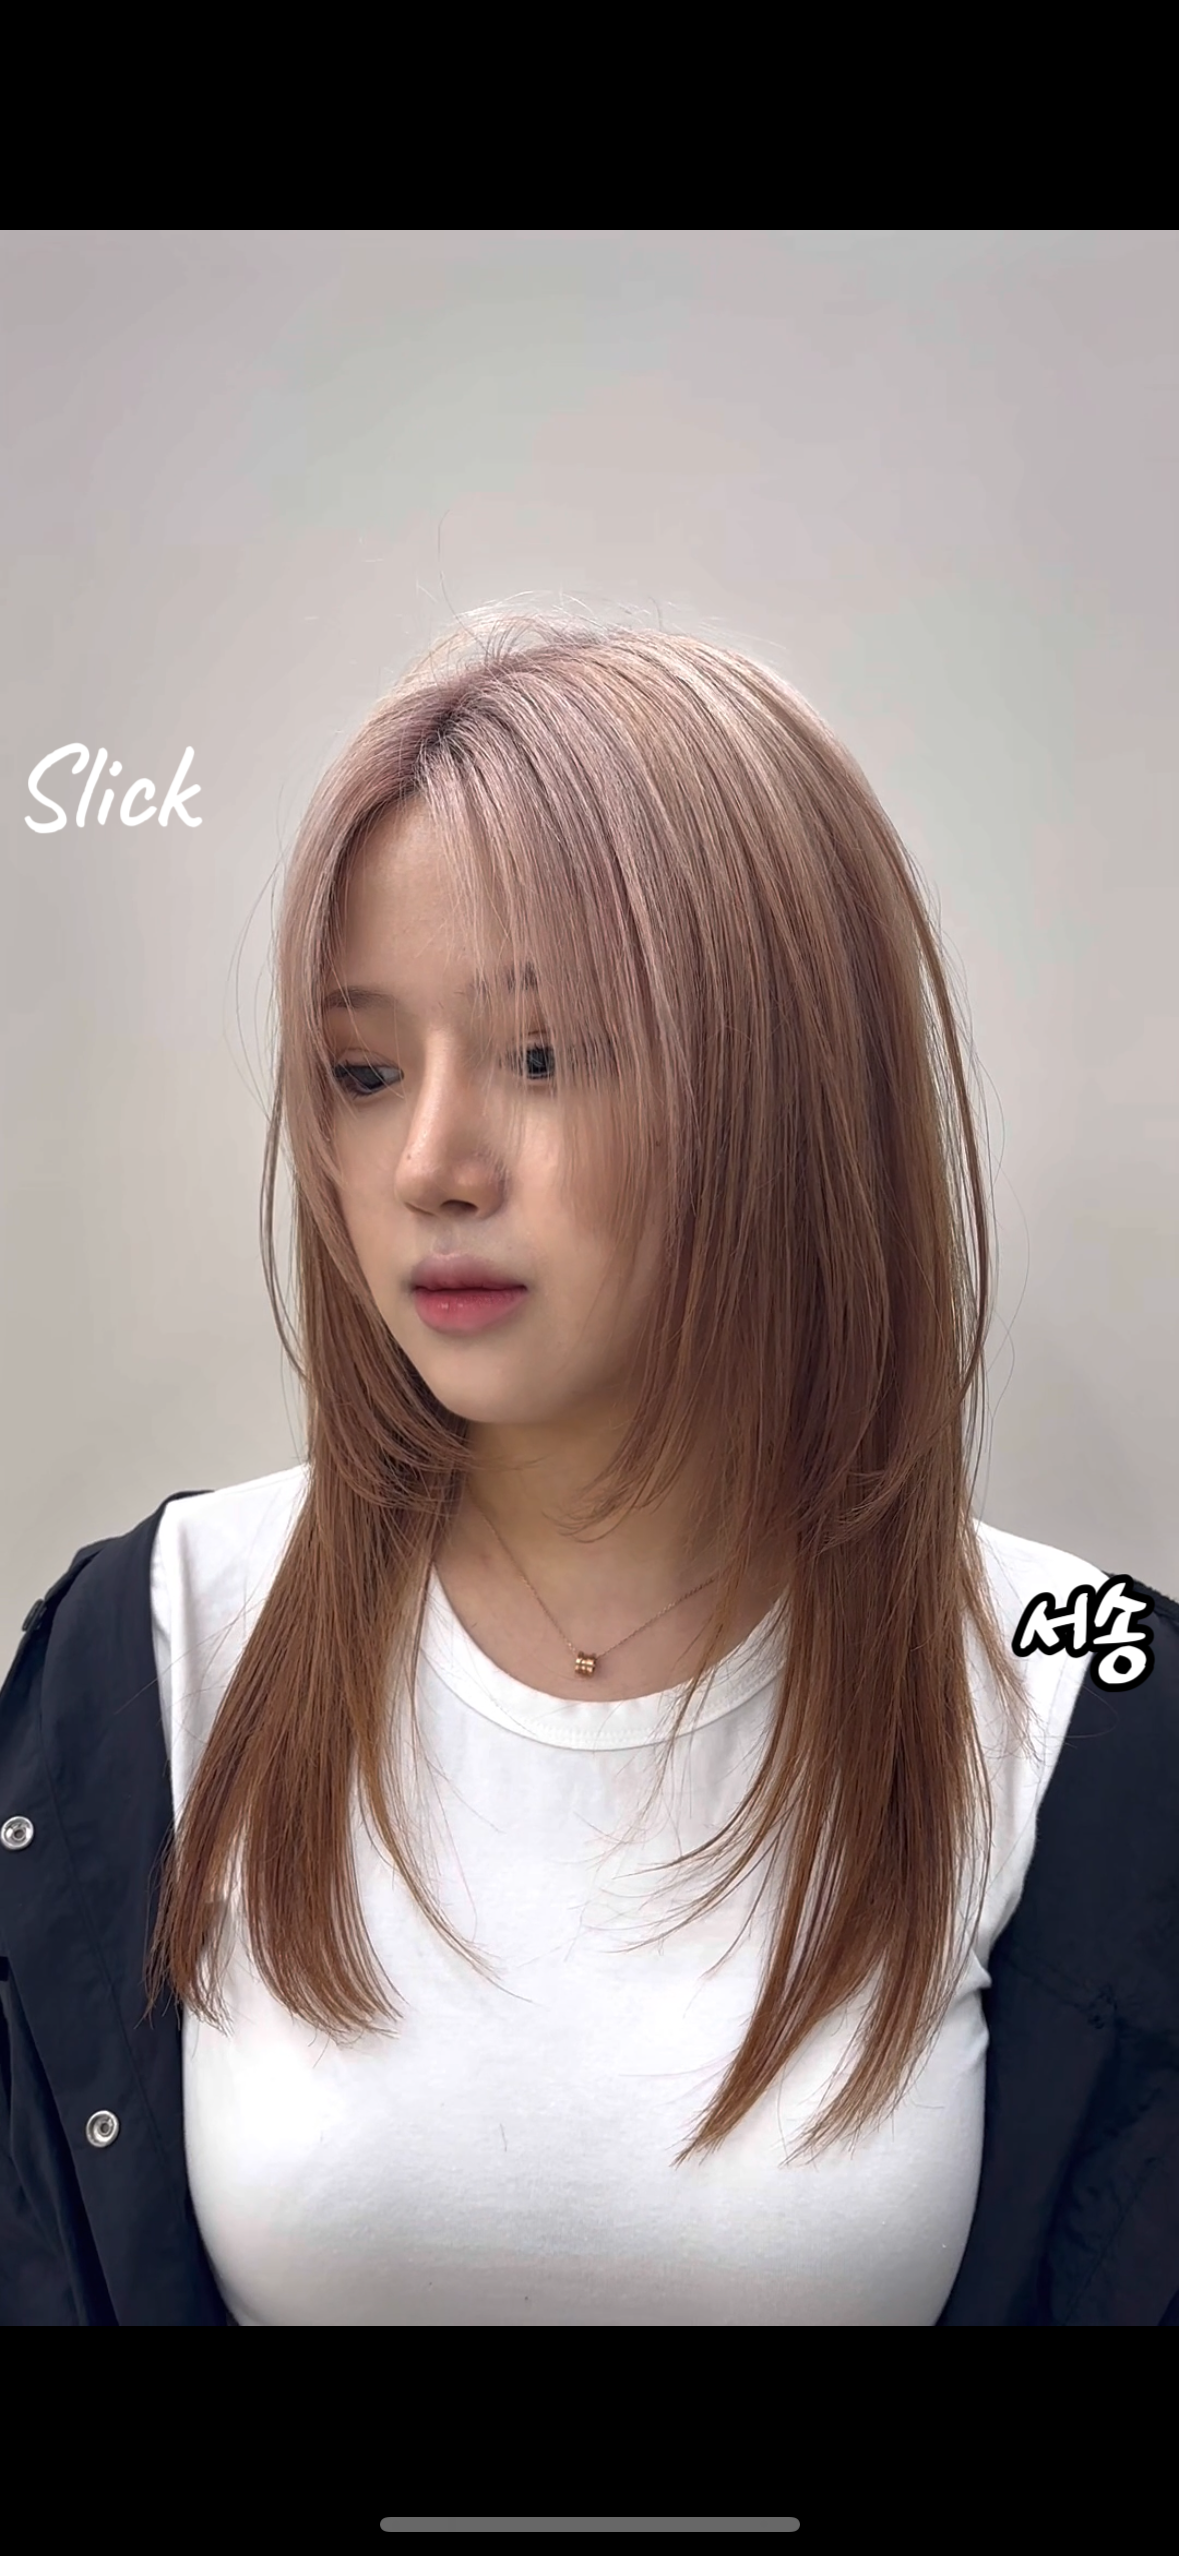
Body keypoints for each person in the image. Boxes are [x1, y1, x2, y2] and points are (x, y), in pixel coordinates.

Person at [2, 609, 1176, 2325]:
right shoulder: (156, 1644)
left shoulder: (1092, 1693)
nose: (431, 1161)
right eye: (362, 1070)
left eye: (544, 1056)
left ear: (785, 1084)